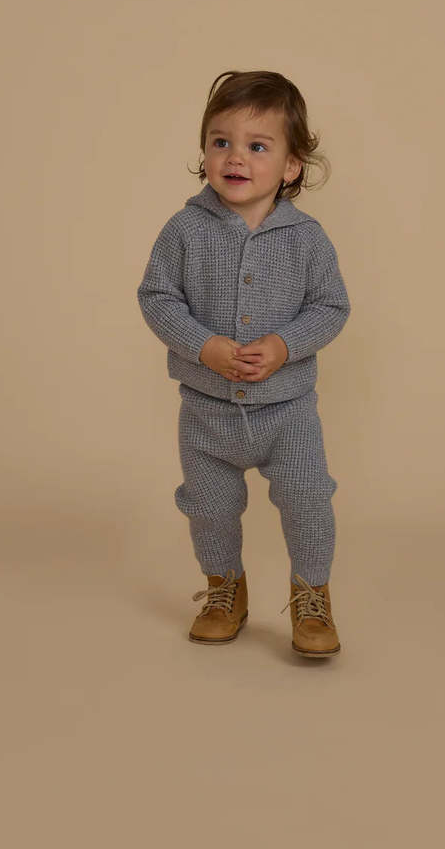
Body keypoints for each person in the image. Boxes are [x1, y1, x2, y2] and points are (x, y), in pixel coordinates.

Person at [137, 70, 351, 658]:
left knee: (309, 499)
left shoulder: (307, 239)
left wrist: (284, 345)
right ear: (204, 150)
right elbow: (157, 297)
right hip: (206, 412)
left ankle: (312, 595)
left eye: (257, 146)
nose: (235, 157)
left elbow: (331, 306)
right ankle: (224, 589)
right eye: (221, 141)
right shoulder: (184, 229)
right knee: (209, 509)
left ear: (291, 166)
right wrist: (202, 345)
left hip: (288, 413)